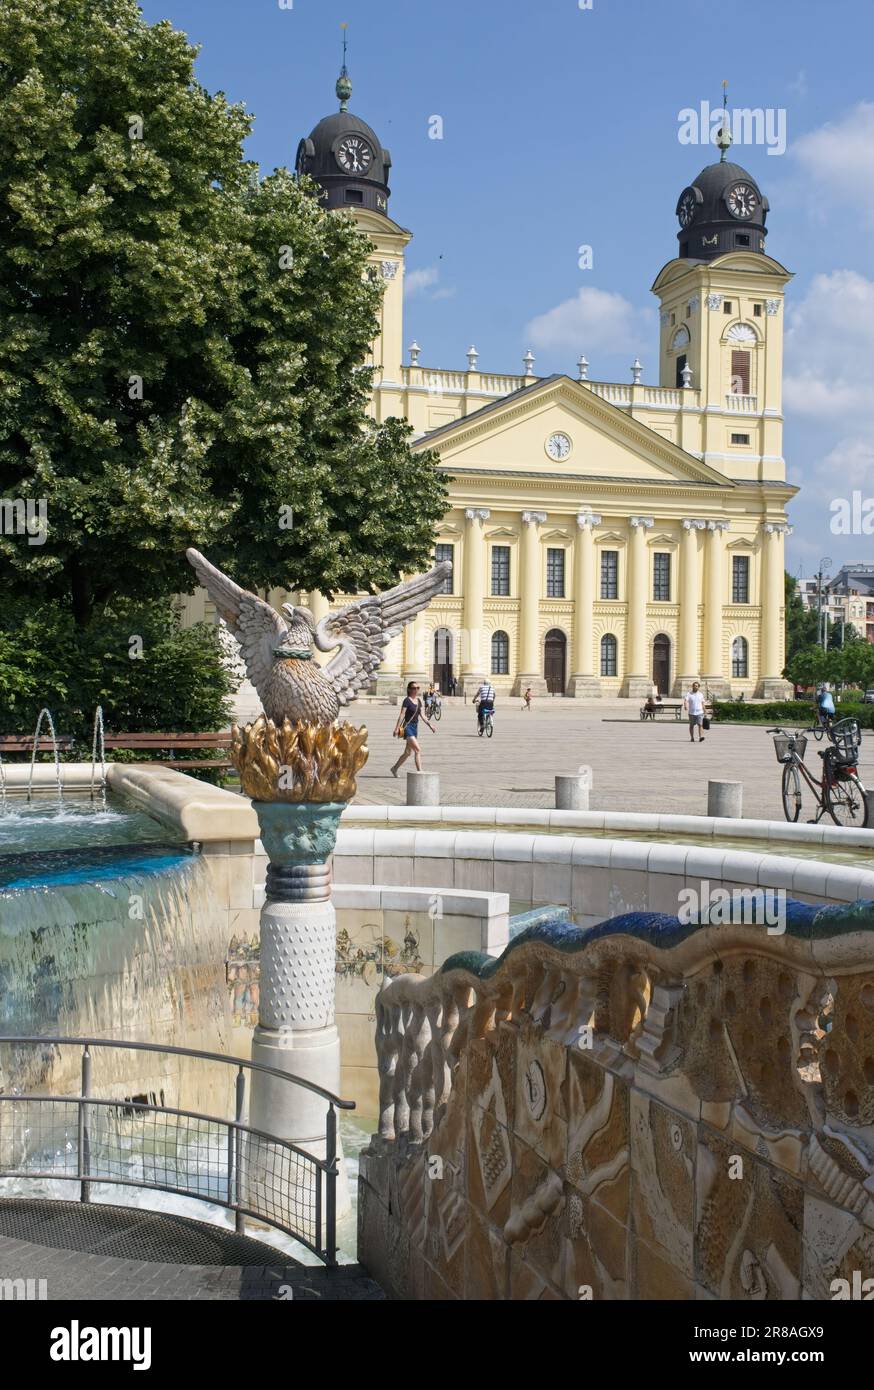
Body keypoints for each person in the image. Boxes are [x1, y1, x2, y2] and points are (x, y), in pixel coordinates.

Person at [390, 681, 434, 776]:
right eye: (414, 688)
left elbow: (423, 715)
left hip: (415, 727)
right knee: (417, 750)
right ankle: (420, 772)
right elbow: (402, 715)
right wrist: (396, 728)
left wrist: (430, 725)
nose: (416, 690)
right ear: (409, 689)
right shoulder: (407, 700)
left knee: (407, 752)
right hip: (408, 727)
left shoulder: (418, 701)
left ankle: (394, 768)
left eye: (417, 688)